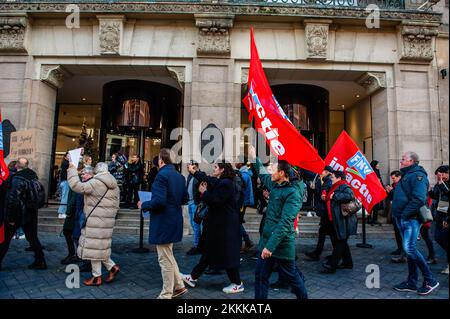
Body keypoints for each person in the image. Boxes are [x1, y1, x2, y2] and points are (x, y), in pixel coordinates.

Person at [247, 146, 307, 299]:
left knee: (293, 278)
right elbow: (262, 172)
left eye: (272, 168)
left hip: (281, 244)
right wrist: (254, 157)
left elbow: (285, 223)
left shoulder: (293, 194)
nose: (269, 170)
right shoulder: (275, 184)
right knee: (260, 276)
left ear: (282, 173)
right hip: (267, 241)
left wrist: (270, 247)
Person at [180, 161, 244, 294]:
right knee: (208, 253)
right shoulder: (221, 181)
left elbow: (216, 200)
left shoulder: (226, 183)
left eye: (215, 167)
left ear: (222, 170)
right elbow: (207, 179)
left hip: (225, 227)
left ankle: (237, 283)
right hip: (218, 226)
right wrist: (194, 172)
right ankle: (193, 277)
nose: (213, 169)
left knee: (227, 255)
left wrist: (204, 193)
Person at [138, 149, 189, 299]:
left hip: (163, 221)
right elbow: (185, 199)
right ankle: (179, 286)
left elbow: (159, 201)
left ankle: (166, 293)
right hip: (174, 220)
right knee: (168, 254)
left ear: (161, 161)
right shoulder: (180, 177)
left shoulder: (161, 176)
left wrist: (144, 204)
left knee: (164, 259)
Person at [391, 151, 439, 295]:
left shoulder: (418, 176)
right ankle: (412, 282)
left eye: (403, 159)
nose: (401, 161)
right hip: (402, 217)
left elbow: (418, 199)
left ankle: (430, 280)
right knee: (408, 250)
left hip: (410, 218)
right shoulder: (407, 174)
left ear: (411, 161)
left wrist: (405, 215)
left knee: (410, 248)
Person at [67, 161, 121, 286]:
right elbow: (117, 206)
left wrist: (72, 169)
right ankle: (112, 268)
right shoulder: (115, 185)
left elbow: (76, 186)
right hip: (107, 221)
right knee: (99, 248)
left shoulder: (95, 182)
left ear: (96, 171)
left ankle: (97, 277)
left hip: (94, 221)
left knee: (93, 248)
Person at [0, 158, 47, 270]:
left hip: (18, 215)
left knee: (5, 239)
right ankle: (40, 260)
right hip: (30, 214)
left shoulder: (17, 179)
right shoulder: (33, 178)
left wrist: (10, 218)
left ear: (17, 166)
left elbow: (12, 200)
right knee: (33, 238)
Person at [321, 170, 358, 274]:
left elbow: (349, 196)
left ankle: (332, 265)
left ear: (339, 178)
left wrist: (335, 196)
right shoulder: (335, 186)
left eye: (332, 177)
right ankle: (348, 263)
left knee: (340, 242)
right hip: (335, 219)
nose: (331, 178)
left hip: (343, 220)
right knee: (341, 241)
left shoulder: (343, 185)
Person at [61, 166, 94, 265]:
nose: (82, 175)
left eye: (84, 173)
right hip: (76, 212)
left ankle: (80, 257)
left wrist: (69, 211)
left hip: (78, 213)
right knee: (72, 234)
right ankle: (77, 255)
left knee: (76, 235)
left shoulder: (81, 183)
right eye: (81, 173)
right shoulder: (78, 181)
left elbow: (74, 198)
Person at [304, 165, 334, 261]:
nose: (321, 173)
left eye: (323, 171)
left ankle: (319, 253)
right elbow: (321, 192)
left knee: (330, 235)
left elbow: (323, 194)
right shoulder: (326, 181)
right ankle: (318, 253)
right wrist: (315, 188)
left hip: (327, 212)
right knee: (327, 234)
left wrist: (318, 189)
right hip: (325, 212)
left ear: (327, 172)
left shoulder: (328, 181)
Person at [429, 165, 449, 274]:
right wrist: (430, 190)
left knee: (446, 239)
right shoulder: (440, 184)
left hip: (446, 214)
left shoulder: (444, 184)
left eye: (442, 175)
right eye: (438, 175)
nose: (441, 177)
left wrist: (447, 218)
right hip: (441, 212)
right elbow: (436, 196)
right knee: (437, 237)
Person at [386, 170, 407, 263]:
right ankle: (399, 248)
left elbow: (399, 197)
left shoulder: (402, 185)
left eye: (394, 178)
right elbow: (391, 197)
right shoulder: (394, 185)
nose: (393, 180)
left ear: (399, 177)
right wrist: (388, 192)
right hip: (395, 210)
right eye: (392, 178)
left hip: (401, 212)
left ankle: (404, 252)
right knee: (397, 231)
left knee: (401, 232)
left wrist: (391, 191)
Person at [235, 162, 255, 252]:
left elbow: (240, 190)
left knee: (237, 222)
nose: (235, 163)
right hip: (243, 202)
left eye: (236, 161)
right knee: (238, 222)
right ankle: (246, 241)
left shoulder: (244, 175)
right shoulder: (244, 173)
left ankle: (245, 242)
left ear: (240, 163)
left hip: (242, 202)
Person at [185, 161, 202, 256]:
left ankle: (197, 246)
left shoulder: (200, 176)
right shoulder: (190, 176)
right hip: (190, 203)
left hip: (196, 204)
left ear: (196, 167)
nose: (189, 169)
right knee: (193, 224)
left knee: (196, 225)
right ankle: (198, 244)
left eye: (191, 167)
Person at [369, 160, 384, 225]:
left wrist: (383, 187)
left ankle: (374, 219)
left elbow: (380, 180)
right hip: (372, 191)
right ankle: (370, 219)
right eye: (377, 164)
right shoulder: (370, 172)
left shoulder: (377, 171)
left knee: (376, 205)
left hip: (377, 190)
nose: (378, 165)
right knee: (373, 205)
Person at [58, 152, 70, 219]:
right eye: (68, 156)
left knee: (65, 196)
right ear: (65, 157)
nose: (70, 157)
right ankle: (61, 212)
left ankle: (62, 212)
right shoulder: (66, 163)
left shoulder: (64, 163)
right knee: (65, 197)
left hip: (64, 181)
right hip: (65, 182)